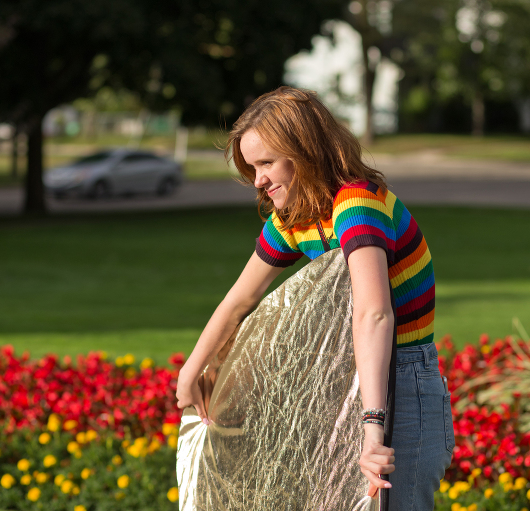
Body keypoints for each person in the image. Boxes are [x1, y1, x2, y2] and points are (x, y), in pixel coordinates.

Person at [176, 86, 453, 511]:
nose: (259, 180)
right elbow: (240, 299)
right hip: (346, 380)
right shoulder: (295, 218)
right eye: (252, 168)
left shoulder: (357, 204)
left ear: (304, 152)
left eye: (267, 163)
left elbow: (374, 313)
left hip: (401, 377)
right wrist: (191, 370)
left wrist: (372, 427)